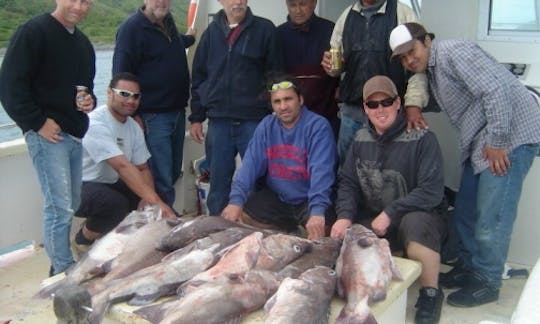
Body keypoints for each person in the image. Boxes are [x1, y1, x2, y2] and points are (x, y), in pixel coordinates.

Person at [389, 22, 540, 308]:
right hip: (481, 143)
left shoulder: (455, 52)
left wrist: (498, 141)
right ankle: (471, 268)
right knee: (466, 213)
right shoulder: (431, 70)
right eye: (403, 59)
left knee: (491, 220)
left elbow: (497, 90)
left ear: (427, 41)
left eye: (412, 52)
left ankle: (488, 280)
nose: (410, 60)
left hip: (510, 137)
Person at [331, 75, 447, 324]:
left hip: (417, 217)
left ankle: (431, 293)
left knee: (415, 224)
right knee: (339, 228)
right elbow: (348, 183)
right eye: (372, 105)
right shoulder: (360, 139)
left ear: (398, 103)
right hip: (376, 221)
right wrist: (344, 218)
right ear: (365, 109)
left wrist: (391, 213)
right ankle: (355, 299)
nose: (380, 109)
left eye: (386, 102)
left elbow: (432, 191)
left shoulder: (424, 138)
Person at [0, 0, 96, 276]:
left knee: (72, 203)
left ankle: (60, 262)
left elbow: (85, 89)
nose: (79, 6)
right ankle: (63, 271)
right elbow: (9, 86)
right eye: (74, 0)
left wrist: (90, 100)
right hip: (46, 135)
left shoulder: (84, 44)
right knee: (59, 206)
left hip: (74, 134)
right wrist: (37, 122)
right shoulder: (32, 32)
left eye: (86, 2)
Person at [189, 0, 282, 215]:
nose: (238, 1)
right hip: (218, 123)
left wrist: (272, 112)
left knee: (259, 180)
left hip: (255, 122)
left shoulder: (265, 29)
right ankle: (217, 230)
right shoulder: (211, 33)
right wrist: (196, 117)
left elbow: (275, 75)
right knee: (218, 185)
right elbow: (199, 76)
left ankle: (256, 230)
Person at [221, 76, 337, 240]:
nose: (283, 107)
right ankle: (286, 230)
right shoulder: (267, 125)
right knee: (238, 219)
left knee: (328, 236)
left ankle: (297, 230)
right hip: (278, 199)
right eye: (277, 102)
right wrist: (235, 201)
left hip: (309, 200)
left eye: (288, 99)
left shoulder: (318, 126)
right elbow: (249, 166)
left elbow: (322, 172)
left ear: (301, 99)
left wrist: (318, 212)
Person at [72, 73, 175, 253]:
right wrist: (156, 203)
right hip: (80, 186)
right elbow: (122, 166)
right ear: (109, 93)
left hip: (111, 182)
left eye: (136, 96)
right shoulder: (95, 122)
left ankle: (130, 240)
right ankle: (83, 238)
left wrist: (148, 199)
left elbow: (142, 168)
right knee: (115, 205)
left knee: (155, 196)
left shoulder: (133, 127)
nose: (130, 100)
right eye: (124, 94)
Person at [320, 0, 428, 165]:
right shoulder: (347, 16)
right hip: (352, 114)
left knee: (389, 171)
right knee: (348, 168)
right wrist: (332, 67)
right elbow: (336, 64)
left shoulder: (402, 13)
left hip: (389, 114)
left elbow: (417, 67)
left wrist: (414, 104)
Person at [113, 0, 195, 214]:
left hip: (177, 113)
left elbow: (168, 49)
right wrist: (135, 115)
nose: (162, 1)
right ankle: (162, 224)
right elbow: (121, 77)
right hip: (153, 117)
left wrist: (189, 38)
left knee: (173, 172)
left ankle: (162, 216)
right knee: (160, 176)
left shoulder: (168, 24)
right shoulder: (131, 29)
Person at [276, 0, 340, 137]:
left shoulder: (330, 30)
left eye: (303, 4)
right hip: (290, 118)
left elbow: (339, 73)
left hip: (326, 116)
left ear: (314, 3)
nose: (298, 10)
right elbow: (275, 77)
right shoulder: (278, 34)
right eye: (293, 5)